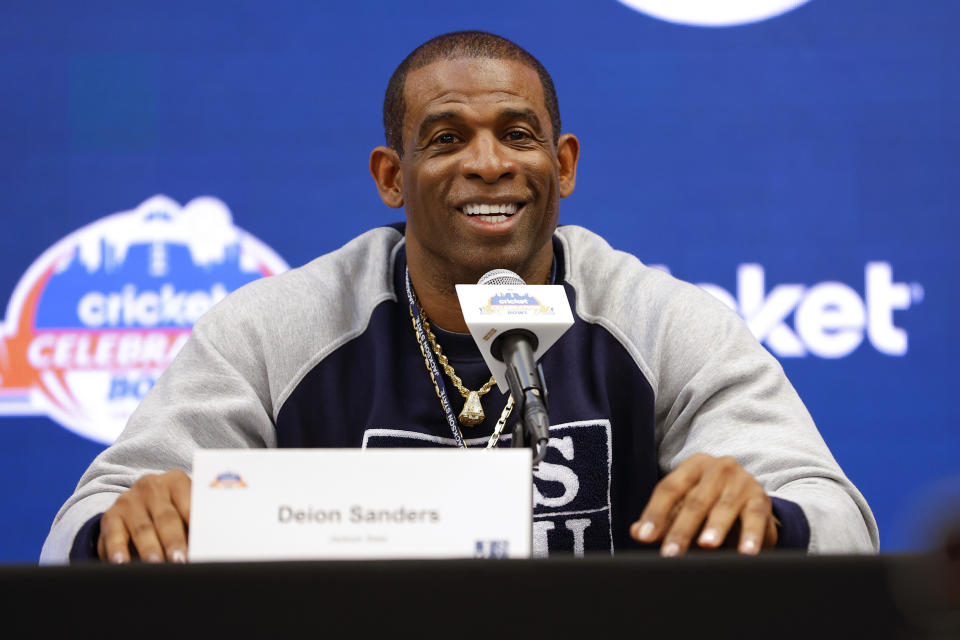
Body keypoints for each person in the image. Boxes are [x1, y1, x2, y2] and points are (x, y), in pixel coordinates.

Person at [41, 31, 878, 564]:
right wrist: (133, 516)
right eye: (447, 140)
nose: (488, 163)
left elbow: (840, 520)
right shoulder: (273, 332)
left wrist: (767, 514)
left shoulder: (659, 320)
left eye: (518, 134)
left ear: (566, 165)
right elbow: (74, 534)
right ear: (391, 177)